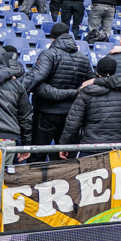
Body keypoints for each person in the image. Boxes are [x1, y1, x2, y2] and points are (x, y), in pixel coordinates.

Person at [20, 21, 93, 158]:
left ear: (52, 38)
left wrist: (18, 91)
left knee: (37, 157)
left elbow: (36, 78)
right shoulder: (83, 57)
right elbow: (90, 83)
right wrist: (75, 92)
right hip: (72, 115)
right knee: (67, 158)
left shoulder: (48, 54)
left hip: (46, 113)